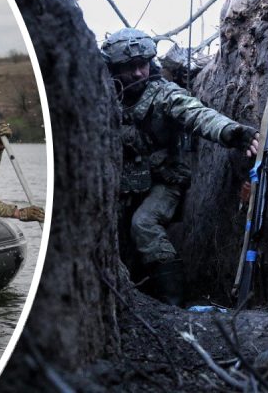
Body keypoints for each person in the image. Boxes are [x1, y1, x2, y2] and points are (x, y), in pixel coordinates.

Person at [101, 27, 259, 306]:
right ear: (114, 69)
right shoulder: (103, 97)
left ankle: (173, 303)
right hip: (122, 183)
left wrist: (232, 132)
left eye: (143, 65)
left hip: (164, 182)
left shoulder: (163, 94)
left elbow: (197, 114)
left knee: (144, 224)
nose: (138, 73)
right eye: (130, 67)